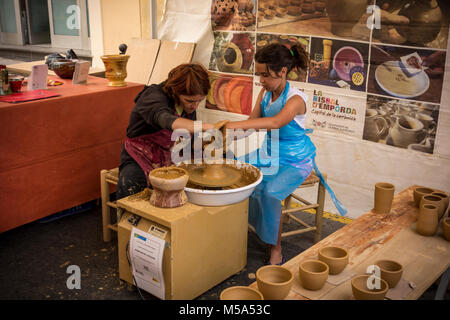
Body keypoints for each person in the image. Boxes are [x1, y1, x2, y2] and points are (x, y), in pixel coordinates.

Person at [225, 44, 347, 265]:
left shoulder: (296, 99)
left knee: (270, 193)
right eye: (258, 75)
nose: (261, 81)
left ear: (282, 71)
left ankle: (276, 247)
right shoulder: (265, 93)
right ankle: (243, 228)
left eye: (265, 75)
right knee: (236, 171)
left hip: (295, 159)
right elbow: (252, 124)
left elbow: (274, 122)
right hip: (268, 153)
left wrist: (230, 124)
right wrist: (226, 136)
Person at [117, 63, 217, 199]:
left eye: (200, 101)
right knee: (132, 185)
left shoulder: (188, 106)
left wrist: (211, 145)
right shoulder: (153, 97)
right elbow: (166, 119)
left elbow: (191, 139)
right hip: (139, 154)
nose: (195, 106)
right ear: (175, 91)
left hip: (169, 153)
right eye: (190, 101)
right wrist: (206, 127)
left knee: (206, 170)